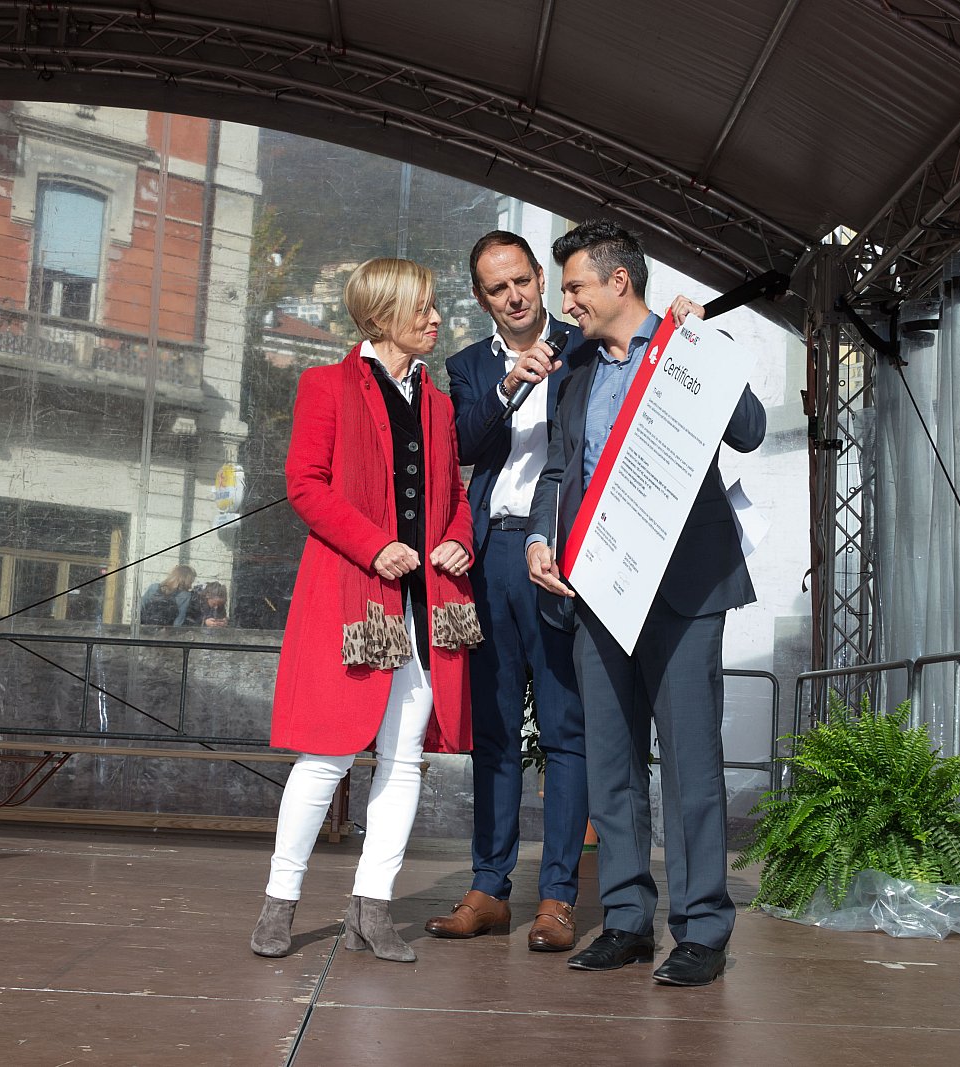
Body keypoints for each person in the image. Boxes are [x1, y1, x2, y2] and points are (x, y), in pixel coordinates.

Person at [526, 219, 766, 987]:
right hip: (597, 584)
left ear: (619, 280)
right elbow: (559, 469)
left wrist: (705, 348)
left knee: (691, 760)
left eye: (575, 287)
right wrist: (539, 539)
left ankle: (701, 928)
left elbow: (751, 430)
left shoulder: (686, 346)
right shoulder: (573, 370)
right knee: (610, 759)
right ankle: (627, 919)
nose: (566, 302)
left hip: (686, 587)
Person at [250, 257, 481, 964]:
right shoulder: (325, 385)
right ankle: (279, 901)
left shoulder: (439, 405)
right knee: (324, 756)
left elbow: (455, 496)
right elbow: (305, 483)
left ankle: (370, 908)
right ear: (382, 315)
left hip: (424, 607)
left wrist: (458, 539)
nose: (436, 318)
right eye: (422, 307)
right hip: (355, 598)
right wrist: (375, 546)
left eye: (435, 305)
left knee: (404, 760)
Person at [426, 231, 587, 952]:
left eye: (523, 280)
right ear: (480, 297)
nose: (515, 296)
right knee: (492, 729)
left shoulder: (585, 346)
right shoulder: (468, 367)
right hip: (492, 552)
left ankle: (558, 897)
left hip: (564, 553)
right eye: (498, 288)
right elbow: (464, 444)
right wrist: (510, 383)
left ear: (541, 280)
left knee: (563, 729)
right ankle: (489, 887)